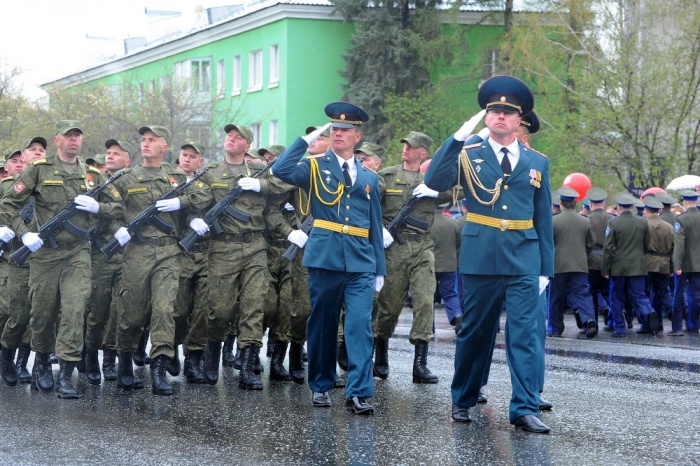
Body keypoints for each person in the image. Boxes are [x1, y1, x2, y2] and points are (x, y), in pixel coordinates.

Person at [425, 75, 554, 433]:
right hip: (482, 256)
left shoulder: (537, 162)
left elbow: (543, 218)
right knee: (476, 333)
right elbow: (434, 182)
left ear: (519, 120)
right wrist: (455, 139)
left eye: (507, 113)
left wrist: (546, 268)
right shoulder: (469, 154)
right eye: (494, 111)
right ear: (486, 117)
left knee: (525, 334)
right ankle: (464, 398)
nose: (500, 116)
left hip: (524, 257)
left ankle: (525, 408)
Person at [273, 102, 386, 414]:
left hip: (361, 260)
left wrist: (380, 267)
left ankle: (359, 392)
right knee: (323, 324)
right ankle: (321, 384)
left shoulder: (369, 177)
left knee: (360, 325)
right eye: (334, 129)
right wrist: (305, 141)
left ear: (357, 136)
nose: (338, 133)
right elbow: (280, 169)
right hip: (325, 257)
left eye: (344, 130)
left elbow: (374, 223)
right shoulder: (314, 166)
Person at [0, 121, 123, 398]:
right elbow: (9, 203)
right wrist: (23, 233)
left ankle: (66, 375)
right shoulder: (39, 169)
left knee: (75, 308)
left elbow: (117, 206)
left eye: (78, 135)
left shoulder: (92, 175)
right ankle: (41, 362)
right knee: (42, 314)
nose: (74, 140)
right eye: (68, 136)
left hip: (77, 252)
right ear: (58, 140)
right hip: (44, 253)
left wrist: (99, 206)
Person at [110, 125, 208, 395]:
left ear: (165, 147)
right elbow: (110, 209)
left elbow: (202, 197)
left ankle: (159, 370)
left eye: (153, 140)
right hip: (137, 253)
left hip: (169, 252)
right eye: (143, 139)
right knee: (132, 314)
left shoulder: (176, 177)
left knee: (165, 310)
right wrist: (115, 227)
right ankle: (126, 361)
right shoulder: (125, 177)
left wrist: (185, 207)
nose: (146, 144)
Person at [191, 123, 288, 391]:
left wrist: (261, 184)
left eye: (238, 137)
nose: (231, 140)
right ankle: (212, 347)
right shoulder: (211, 173)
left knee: (253, 306)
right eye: (229, 136)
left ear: (248, 145)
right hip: (222, 248)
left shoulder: (260, 172)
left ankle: (247, 366)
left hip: (255, 245)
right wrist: (195, 219)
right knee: (220, 309)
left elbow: (284, 183)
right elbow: (193, 199)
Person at [373, 130, 451, 384]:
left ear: (423, 153)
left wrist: (434, 192)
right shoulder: (386, 176)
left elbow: (461, 189)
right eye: (404, 144)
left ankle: (420, 363)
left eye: (412, 146)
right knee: (388, 306)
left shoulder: (432, 180)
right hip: (393, 248)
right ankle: (381, 351)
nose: (406, 148)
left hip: (422, 249)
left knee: (425, 302)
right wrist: (379, 232)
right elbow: (370, 201)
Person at [83, 139, 134, 386]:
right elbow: (99, 213)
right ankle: (91, 354)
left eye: (117, 153)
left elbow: (125, 210)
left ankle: (112, 360)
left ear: (128, 160)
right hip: (102, 252)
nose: (110, 156)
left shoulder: (134, 181)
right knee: (98, 310)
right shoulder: (99, 181)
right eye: (108, 152)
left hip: (130, 253)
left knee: (123, 310)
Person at [172, 139, 209, 383]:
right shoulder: (168, 182)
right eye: (183, 154)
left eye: (192, 156)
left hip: (206, 251)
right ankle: (171, 346)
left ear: (200, 162)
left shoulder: (207, 184)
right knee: (178, 308)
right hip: (178, 252)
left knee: (203, 308)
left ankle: (194, 358)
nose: (186, 159)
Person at [601, 193, 659, 336]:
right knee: (639, 296)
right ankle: (649, 312)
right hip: (638, 265)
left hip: (618, 266)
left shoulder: (613, 223)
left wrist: (605, 269)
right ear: (632, 207)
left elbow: (608, 248)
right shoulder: (642, 222)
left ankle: (619, 328)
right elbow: (647, 244)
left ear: (619, 207)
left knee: (616, 298)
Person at [547, 187, 597, 338]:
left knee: (555, 297)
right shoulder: (585, 221)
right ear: (574, 203)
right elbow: (591, 243)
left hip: (558, 265)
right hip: (580, 265)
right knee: (583, 294)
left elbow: (547, 243)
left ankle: (555, 328)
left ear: (561, 202)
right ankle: (589, 320)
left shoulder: (553, 220)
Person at [642, 196, 673, 334]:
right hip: (664, 263)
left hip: (648, 262)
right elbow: (673, 248)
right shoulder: (669, 227)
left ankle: (648, 322)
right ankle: (665, 316)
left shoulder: (644, 224)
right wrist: (671, 267)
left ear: (647, 210)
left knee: (645, 293)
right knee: (662, 292)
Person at [670, 190, 700, 334]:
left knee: (678, 293)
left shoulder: (681, 219)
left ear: (685, 202)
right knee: (696, 295)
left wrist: (677, 264)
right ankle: (693, 324)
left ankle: (676, 326)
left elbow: (679, 244)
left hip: (683, 264)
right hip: (698, 264)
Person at [429, 203, 462, 334]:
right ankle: (456, 314)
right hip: (449, 265)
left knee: (428, 296)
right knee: (450, 293)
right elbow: (458, 244)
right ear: (444, 208)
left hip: (430, 265)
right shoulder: (453, 223)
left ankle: (428, 328)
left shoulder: (427, 223)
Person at [586, 188, 614, 325]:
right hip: (609, 260)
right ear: (603, 203)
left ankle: (593, 323)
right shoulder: (612, 219)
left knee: (591, 293)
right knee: (609, 293)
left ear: (591, 204)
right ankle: (611, 321)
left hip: (591, 261)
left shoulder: (587, 219)